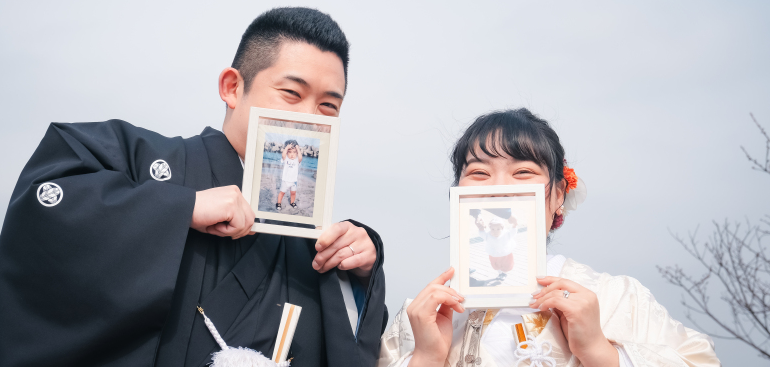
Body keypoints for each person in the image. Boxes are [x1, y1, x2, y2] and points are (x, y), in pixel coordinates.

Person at [0, 8, 387, 367]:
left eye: (329, 106)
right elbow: (46, 199)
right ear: (232, 87)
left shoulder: (314, 246)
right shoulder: (142, 162)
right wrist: (180, 207)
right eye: (292, 94)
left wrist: (358, 273)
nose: (309, 117)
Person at [378, 109, 719, 367]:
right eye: (479, 173)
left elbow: (700, 359)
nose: (500, 188)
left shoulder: (617, 298)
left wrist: (601, 352)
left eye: (523, 172)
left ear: (558, 195)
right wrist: (425, 358)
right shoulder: (422, 315)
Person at [475, 215, 518, 279]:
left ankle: (504, 273)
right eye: (493, 229)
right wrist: (481, 229)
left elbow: (513, 232)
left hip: (505, 254)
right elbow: (482, 234)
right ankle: (500, 274)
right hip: (494, 255)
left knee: (507, 265)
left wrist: (514, 225)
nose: (495, 231)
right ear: (490, 228)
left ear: (502, 228)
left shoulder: (506, 234)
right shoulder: (488, 235)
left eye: (498, 229)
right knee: (496, 265)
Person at [278, 140, 303, 210]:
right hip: (285, 180)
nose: (292, 154)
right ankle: (279, 203)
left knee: (293, 193)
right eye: (290, 152)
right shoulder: (286, 159)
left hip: (294, 181)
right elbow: (283, 155)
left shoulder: (297, 160)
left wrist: (298, 149)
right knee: (282, 192)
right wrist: (286, 148)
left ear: (297, 153)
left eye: (294, 152)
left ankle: (292, 202)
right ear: (287, 152)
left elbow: (300, 158)